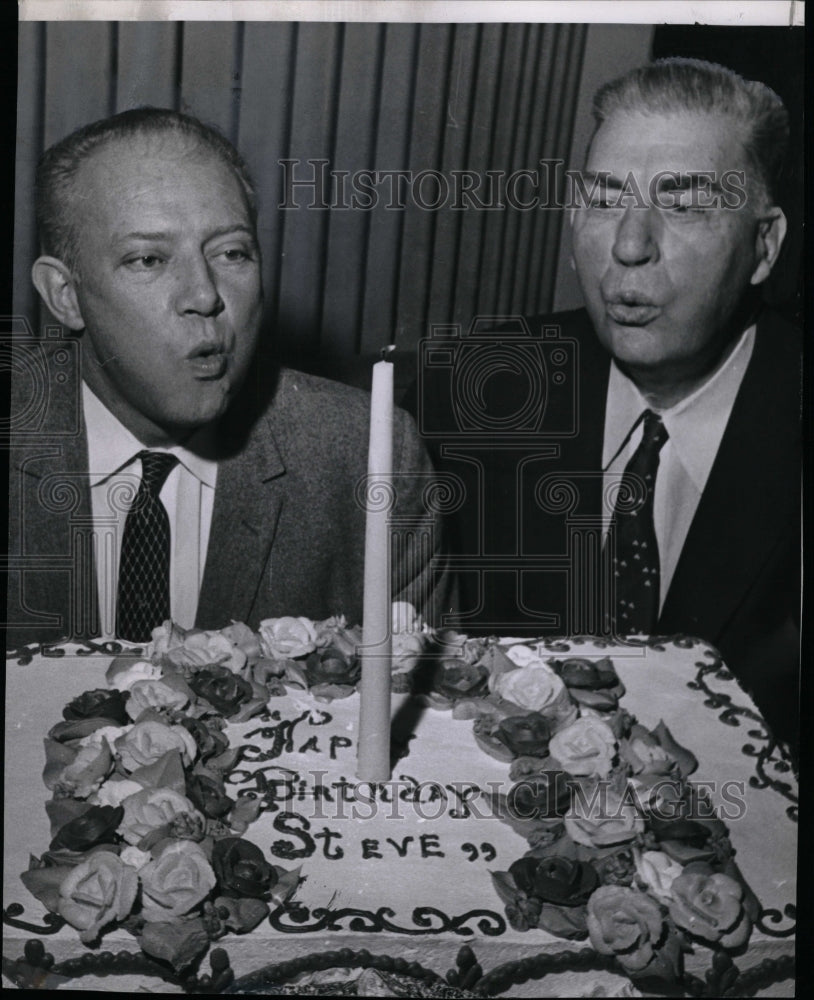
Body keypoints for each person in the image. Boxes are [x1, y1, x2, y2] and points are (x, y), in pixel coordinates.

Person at [408, 58, 800, 747]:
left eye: (682, 205)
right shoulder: (472, 393)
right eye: (606, 199)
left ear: (762, 246)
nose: (628, 245)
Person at [6, 108, 453, 647]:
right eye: (148, 259)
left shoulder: (368, 455)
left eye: (232, 252)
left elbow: (431, 708)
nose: (204, 295)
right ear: (65, 295)